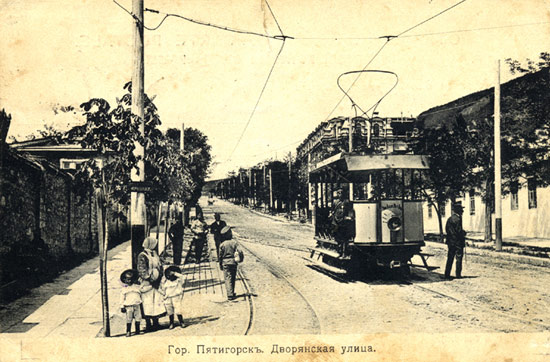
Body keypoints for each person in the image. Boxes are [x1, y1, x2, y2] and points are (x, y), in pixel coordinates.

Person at [137, 237, 166, 331]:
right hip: (147, 283)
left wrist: (160, 276)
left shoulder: (154, 254)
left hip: (156, 282)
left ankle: (156, 323)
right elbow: (142, 269)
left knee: (156, 302)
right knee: (147, 302)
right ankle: (148, 324)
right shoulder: (142, 255)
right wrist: (150, 279)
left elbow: (160, 266)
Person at [329, 187, 355, 256]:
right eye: (338, 193)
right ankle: (339, 249)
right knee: (336, 235)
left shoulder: (347, 202)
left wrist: (349, 217)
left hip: (343, 222)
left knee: (344, 237)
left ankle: (343, 252)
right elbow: (333, 211)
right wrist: (331, 215)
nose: (340, 194)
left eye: (341, 193)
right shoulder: (335, 202)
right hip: (336, 221)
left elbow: (350, 211)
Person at [219, 226, 243, 301]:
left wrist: (220, 264)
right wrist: (241, 259)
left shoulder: (222, 244)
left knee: (227, 278)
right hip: (233, 262)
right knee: (233, 277)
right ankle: (231, 292)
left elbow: (220, 256)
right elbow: (240, 252)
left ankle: (230, 294)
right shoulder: (235, 243)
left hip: (225, 263)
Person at [444, 202, 467, 279]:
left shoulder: (450, 219)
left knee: (450, 258)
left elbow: (447, 229)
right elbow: (459, 231)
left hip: (450, 242)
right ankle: (458, 274)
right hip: (457, 242)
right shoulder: (458, 219)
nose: (462, 212)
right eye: (461, 210)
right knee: (459, 258)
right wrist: (463, 233)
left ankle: (447, 274)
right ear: (459, 211)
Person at [119, 269, 142, 337]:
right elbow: (122, 297)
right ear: (124, 280)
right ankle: (128, 331)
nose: (129, 281)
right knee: (129, 318)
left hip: (137, 305)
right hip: (129, 305)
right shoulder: (124, 288)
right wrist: (122, 306)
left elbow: (141, 293)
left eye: (131, 279)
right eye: (127, 279)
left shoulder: (137, 286)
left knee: (138, 317)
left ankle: (137, 330)